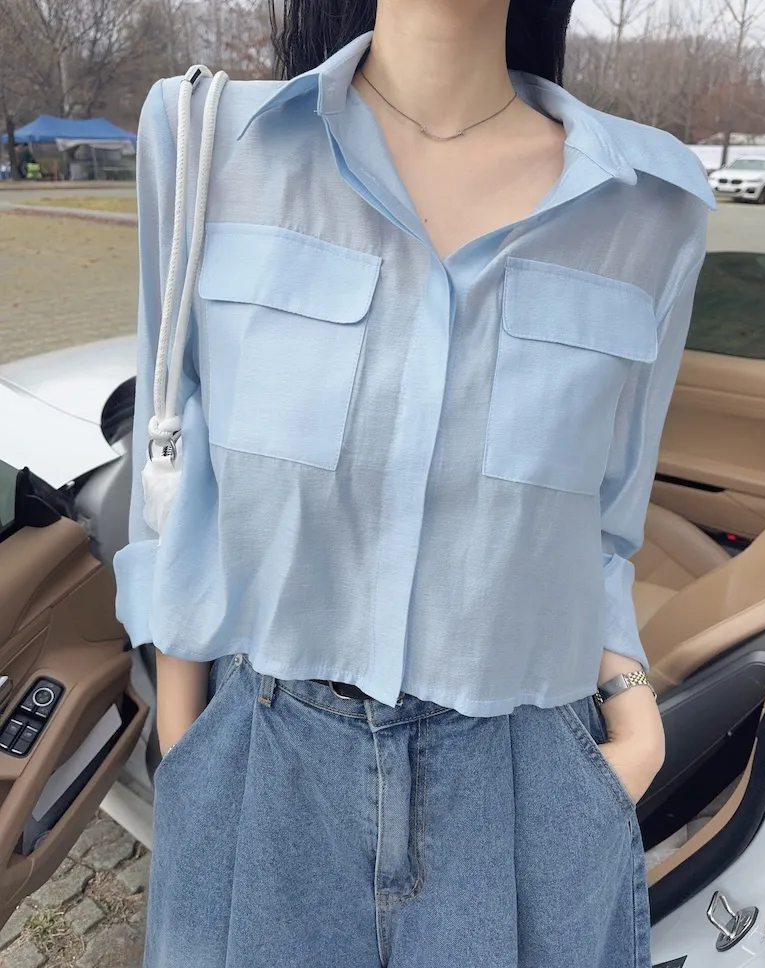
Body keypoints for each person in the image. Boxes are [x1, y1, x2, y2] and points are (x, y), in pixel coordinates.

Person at [113, 1, 713, 965]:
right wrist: (190, 753)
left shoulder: (651, 204)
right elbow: (171, 484)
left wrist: (634, 721)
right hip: (263, 765)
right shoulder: (205, 141)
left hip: (525, 782)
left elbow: (603, 526)